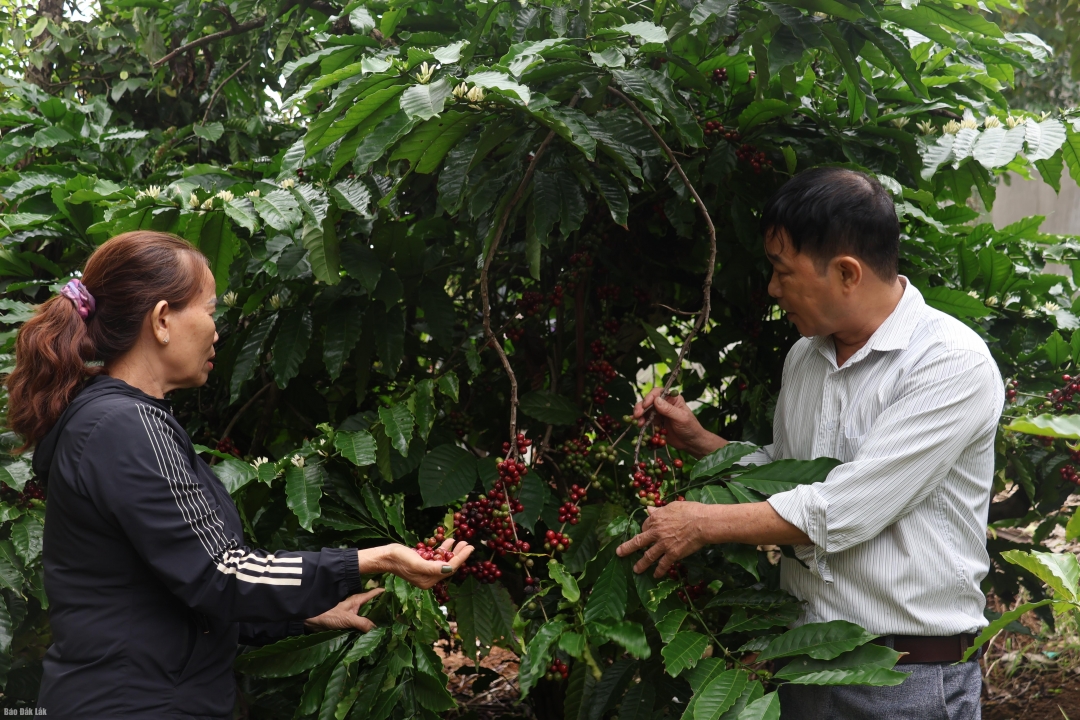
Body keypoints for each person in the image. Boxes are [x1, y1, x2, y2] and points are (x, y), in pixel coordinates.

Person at [4, 231, 474, 719]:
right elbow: (221, 572)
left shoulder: (120, 420)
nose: (216, 331)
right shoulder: (124, 426)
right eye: (210, 311)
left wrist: (305, 615)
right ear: (162, 320)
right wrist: (374, 559)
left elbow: (169, 588)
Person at [617, 168, 1003, 719]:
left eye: (783, 271)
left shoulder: (949, 363)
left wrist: (701, 523)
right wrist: (702, 442)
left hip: (906, 681)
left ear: (846, 272)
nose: (773, 289)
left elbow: (843, 508)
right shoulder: (806, 356)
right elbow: (791, 478)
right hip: (801, 666)